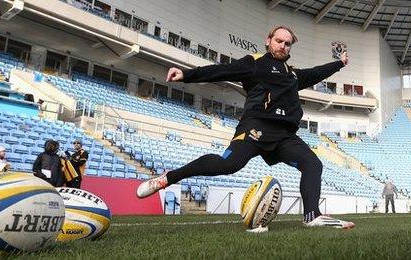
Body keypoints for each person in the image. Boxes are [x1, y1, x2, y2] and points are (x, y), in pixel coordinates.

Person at [136, 25, 354, 228]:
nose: (283, 46)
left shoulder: (293, 75)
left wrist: (340, 64)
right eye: (279, 41)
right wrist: (187, 75)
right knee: (228, 165)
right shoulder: (255, 62)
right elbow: (224, 70)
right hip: (255, 127)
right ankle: (167, 178)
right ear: (268, 41)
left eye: (287, 44)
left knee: (313, 164)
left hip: (284, 136)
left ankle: (312, 216)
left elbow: (317, 72)